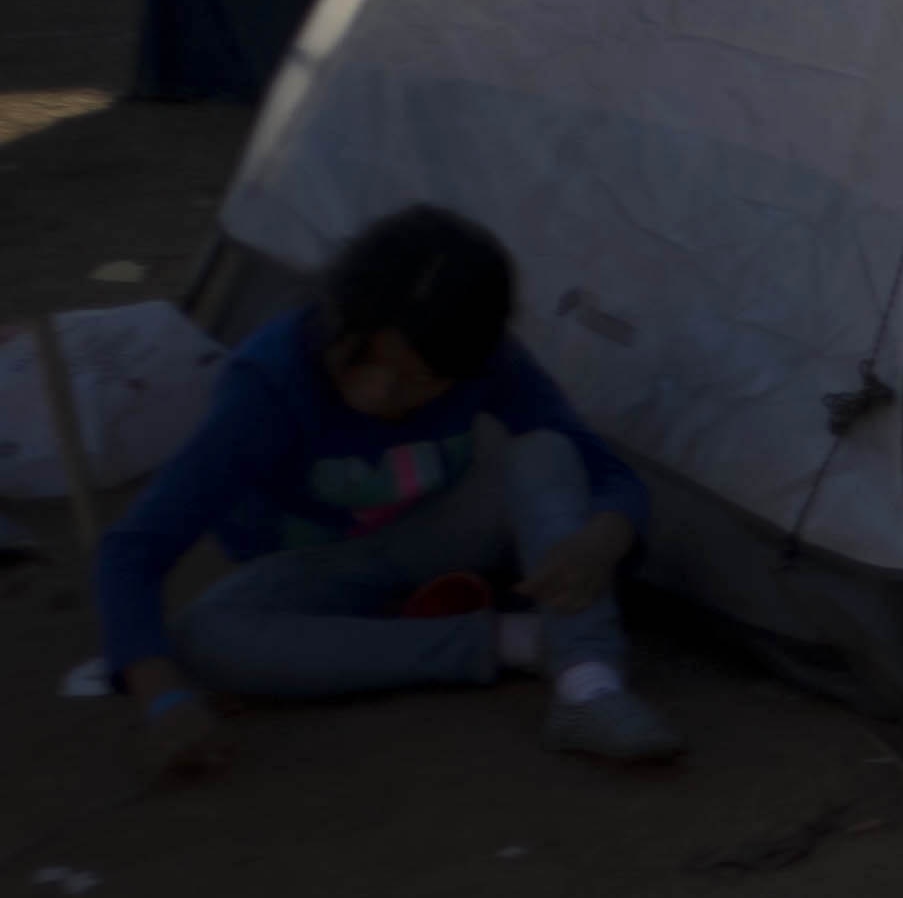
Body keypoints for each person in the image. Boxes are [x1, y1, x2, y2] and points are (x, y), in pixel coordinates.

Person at [96, 204, 683, 780]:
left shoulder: (488, 362)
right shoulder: (267, 385)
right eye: (364, 361)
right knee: (207, 636)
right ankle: (521, 642)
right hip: (320, 572)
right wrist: (164, 702)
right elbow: (134, 550)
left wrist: (602, 537)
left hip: (438, 535)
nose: (378, 393)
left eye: (415, 380)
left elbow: (605, 472)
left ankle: (588, 686)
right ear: (337, 319)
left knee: (546, 451)